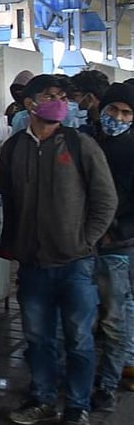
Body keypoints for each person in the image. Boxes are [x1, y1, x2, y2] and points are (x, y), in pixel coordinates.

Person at [0, 74, 117, 425]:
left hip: (75, 265)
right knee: (38, 339)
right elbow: (7, 197)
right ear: (30, 103)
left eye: (63, 96)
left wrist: (84, 240)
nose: (59, 101)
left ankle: (78, 405)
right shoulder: (15, 147)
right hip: (33, 265)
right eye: (51, 95)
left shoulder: (80, 145)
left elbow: (105, 199)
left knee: (79, 339)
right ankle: (43, 398)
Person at [90, 82, 134, 413]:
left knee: (115, 321)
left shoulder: (130, 150)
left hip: (117, 247)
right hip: (83, 245)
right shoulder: (85, 140)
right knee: (82, 319)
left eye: (126, 112)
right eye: (113, 110)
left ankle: (106, 385)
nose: (118, 117)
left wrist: (111, 229)